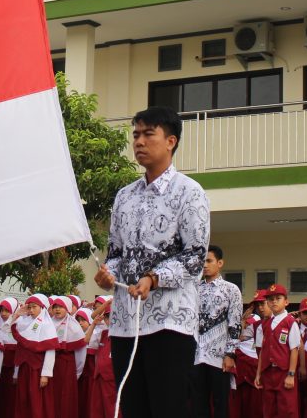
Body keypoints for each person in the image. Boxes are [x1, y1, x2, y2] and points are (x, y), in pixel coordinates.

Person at [94, 106, 210, 418]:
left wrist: (154, 278)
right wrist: (108, 275)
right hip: (125, 322)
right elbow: (116, 254)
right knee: (133, 407)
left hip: (170, 322)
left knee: (168, 407)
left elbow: (195, 256)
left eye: (148, 134)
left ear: (170, 141)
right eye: (135, 135)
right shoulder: (124, 197)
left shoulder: (190, 193)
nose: (139, 142)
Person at [191, 245, 243, 418]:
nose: (204, 265)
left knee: (221, 404)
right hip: (196, 355)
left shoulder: (231, 289)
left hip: (220, 356)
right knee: (198, 403)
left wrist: (231, 354)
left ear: (220, 263)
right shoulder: (193, 289)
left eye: (209, 261)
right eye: (202, 261)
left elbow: (235, 324)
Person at [254, 284, 300, 418]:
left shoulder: (290, 322)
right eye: (271, 299)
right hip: (268, 372)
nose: (274, 301)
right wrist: (258, 374)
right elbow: (262, 350)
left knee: (287, 409)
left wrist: (291, 374)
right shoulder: (265, 324)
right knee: (269, 409)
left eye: (278, 298)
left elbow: (294, 350)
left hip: (284, 372)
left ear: (286, 301)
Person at [11, 294, 57, 418]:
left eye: (34, 307)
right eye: (29, 307)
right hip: (24, 368)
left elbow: (50, 351)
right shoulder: (24, 322)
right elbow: (8, 330)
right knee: (23, 400)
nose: (31, 310)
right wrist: (17, 315)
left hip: (37, 370)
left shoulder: (47, 325)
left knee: (36, 402)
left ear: (42, 308)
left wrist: (45, 375)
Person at [49, 296, 86, 418]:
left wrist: (77, 372)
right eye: (55, 307)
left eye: (61, 307)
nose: (57, 310)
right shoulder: (48, 323)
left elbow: (81, 352)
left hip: (67, 366)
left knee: (65, 397)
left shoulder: (73, 326)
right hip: (50, 366)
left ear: (68, 308)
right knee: (51, 396)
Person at [0, 297, 19, 418]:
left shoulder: (18, 326)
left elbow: (20, 352)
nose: (4, 314)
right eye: (2, 310)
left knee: (11, 399)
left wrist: (16, 373)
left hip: (12, 370)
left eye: (7, 310)